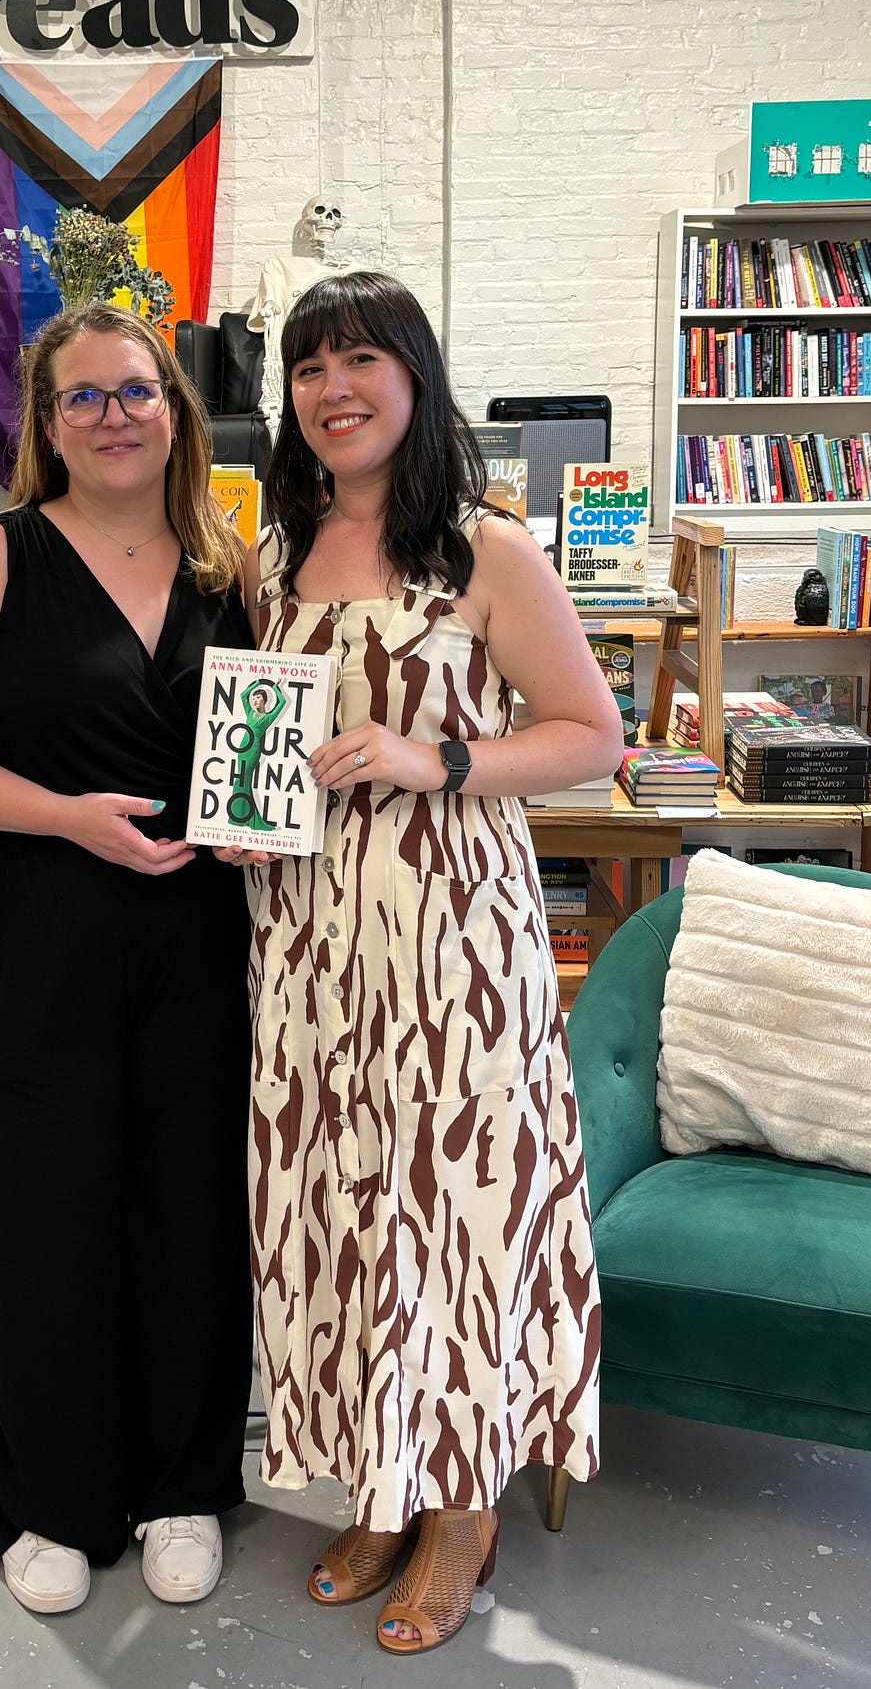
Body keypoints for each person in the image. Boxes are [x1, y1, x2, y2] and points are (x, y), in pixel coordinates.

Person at [226, 271, 623, 1658]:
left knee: (453, 1204)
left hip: (456, 938)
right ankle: (379, 1479)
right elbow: (260, 730)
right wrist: (245, 818)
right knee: (338, 1200)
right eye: (308, 365)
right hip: (311, 937)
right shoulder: (267, 553)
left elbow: (589, 732)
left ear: (415, 374)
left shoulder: (484, 552)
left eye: (360, 359)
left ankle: (464, 1503)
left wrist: (436, 756)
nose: (333, 387)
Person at [0, 303, 255, 1619]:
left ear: (175, 408)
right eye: (79, 398)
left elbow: (262, 743)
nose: (110, 415)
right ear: (43, 422)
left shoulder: (230, 562)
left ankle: (183, 1483)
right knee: (39, 1205)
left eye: (133, 390)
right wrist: (65, 814)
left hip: (199, 935)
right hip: (25, 929)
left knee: (192, 1204)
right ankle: (52, 1500)